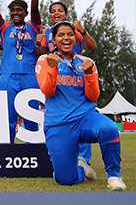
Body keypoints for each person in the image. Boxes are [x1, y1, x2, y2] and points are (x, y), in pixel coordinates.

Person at [35, 21, 126, 190]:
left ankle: (114, 176)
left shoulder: (86, 61)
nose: (66, 38)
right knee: (65, 179)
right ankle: (82, 170)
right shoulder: (44, 60)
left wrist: (90, 74)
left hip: (86, 118)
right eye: (61, 35)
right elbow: (47, 91)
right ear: (54, 40)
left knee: (109, 128)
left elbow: (93, 96)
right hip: (59, 124)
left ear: (76, 38)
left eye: (70, 34)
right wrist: (53, 69)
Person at [39, 1, 99, 174]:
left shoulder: (74, 30)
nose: (56, 13)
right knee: (60, 118)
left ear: (66, 13)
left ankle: (83, 159)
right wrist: (39, 44)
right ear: (50, 15)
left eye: (60, 10)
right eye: (53, 11)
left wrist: (83, 31)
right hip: (57, 77)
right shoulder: (47, 32)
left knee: (82, 113)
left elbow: (92, 47)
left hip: (78, 76)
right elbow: (42, 55)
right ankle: (65, 158)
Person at [0, 0, 42, 142]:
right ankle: (9, 151)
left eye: (19, 10)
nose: (15, 13)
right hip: (8, 76)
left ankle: (33, 153)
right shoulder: (5, 28)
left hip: (29, 76)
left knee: (32, 116)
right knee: (8, 117)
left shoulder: (33, 27)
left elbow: (35, 9)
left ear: (25, 13)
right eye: (12, 11)